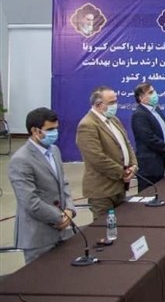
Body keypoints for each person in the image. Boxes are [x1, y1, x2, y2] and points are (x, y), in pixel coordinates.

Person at [8, 107, 76, 263]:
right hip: (39, 236)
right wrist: (59, 217)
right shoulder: (21, 160)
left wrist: (70, 209)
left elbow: (63, 183)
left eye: (56, 128)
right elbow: (30, 202)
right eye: (50, 129)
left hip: (64, 232)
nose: (55, 133)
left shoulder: (55, 151)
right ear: (35, 131)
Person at [76, 86, 138, 220]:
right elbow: (96, 158)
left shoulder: (114, 120)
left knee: (123, 225)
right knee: (105, 228)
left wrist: (133, 165)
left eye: (116, 101)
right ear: (99, 105)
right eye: (111, 102)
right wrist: (122, 172)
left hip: (120, 187)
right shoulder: (87, 125)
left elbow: (126, 145)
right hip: (102, 190)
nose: (115, 105)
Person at [131, 82, 165, 190]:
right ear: (141, 98)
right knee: (150, 193)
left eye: (154, 91)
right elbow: (148, 138)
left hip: (163, 160)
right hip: (150, 164)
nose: (155, 94)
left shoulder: (156, 109)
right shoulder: (139, 115)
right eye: (150, 92)